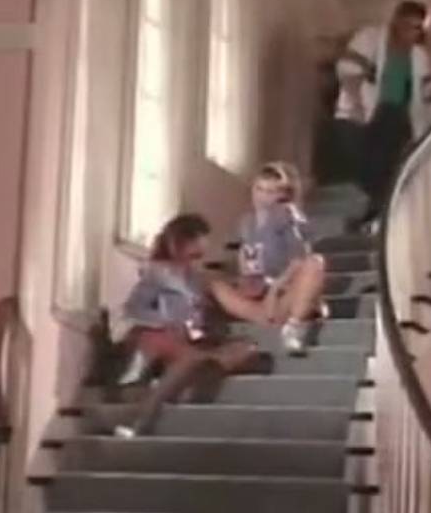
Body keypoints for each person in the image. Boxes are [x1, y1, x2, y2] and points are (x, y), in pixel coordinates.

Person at [114, 214, 272, 438]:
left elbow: (241, 309)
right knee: (178, 352)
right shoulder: (157, 274)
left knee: (242, 348)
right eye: (194, 255)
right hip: (164, 338)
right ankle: (142, 417)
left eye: (201, 255)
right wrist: (165, 322)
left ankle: (187, 387)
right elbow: (134, 310)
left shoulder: (199, 279)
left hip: (196, 342)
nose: (197, 261)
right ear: (178, 245)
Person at [335, 0, 431, 229]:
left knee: (388, 166)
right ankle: (369, 212)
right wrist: (356, 103)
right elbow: (348, 69)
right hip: (365, 111)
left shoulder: (419, 55)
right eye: (406, 25)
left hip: (398, 115)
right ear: (396, 22)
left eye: (416, 28)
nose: (410, 32)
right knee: (364, 167)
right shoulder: (369, 38)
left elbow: (427, 89)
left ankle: (377, 215)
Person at [237, 162, 326, 356]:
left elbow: (300, 260)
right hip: (260, 295)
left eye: (270, 192)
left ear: (280, 195)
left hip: (285, 289)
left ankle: (295, 325)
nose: (262, 196)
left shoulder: (285, 215)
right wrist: (248, 279)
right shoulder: (247, 222)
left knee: (315, 264)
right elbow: (250, 262)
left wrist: (275, 288)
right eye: (259, 189)